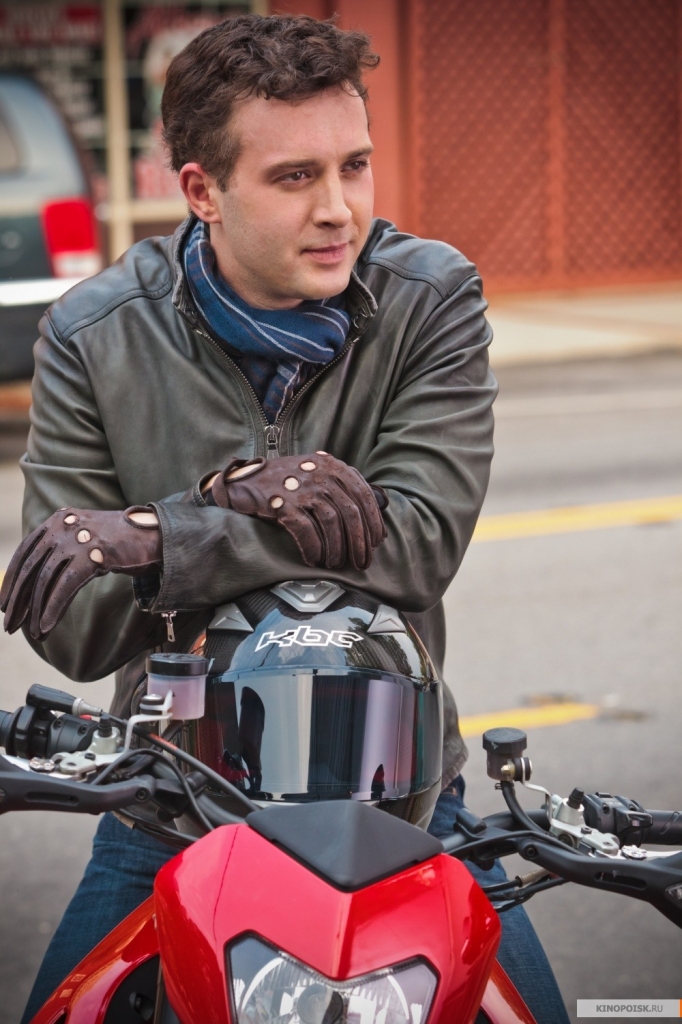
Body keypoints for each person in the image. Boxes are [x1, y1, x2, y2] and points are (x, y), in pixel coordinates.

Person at [0, 15, 568, 1023]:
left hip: (398, 795)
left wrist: (162, 537)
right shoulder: (94, 334)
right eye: (295, 176)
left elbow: (414, 541)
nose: (338, 209)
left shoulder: (430, 298)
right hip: (170, 807)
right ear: (201, 191)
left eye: (354, 166)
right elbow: (75, 629)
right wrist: (224, 497)